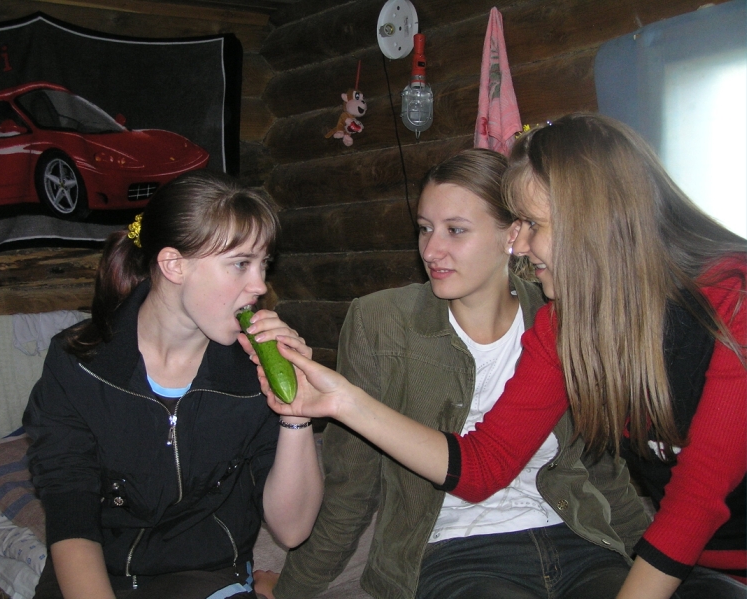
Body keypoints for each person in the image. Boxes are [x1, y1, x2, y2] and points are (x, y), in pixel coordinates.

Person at [252, 114, 747, 599]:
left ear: (589, 222)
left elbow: (685, 493)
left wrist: (636, 559)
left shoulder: (729, 298)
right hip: (488, 559)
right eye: (424, 228)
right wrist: (344, 401)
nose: (522, 243)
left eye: (532, 224)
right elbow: (482, 464)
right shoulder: (563, 323)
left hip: (667, 554)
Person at [23, 170, 323, 599]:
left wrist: (296, 414)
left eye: (263, 264)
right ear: (173, 265)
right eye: (241, 264)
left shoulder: (250, 373)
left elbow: (292, 530)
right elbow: (70, 513)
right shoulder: (79, 365)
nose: (260, 285)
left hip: (206, 574)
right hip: (97, 569)